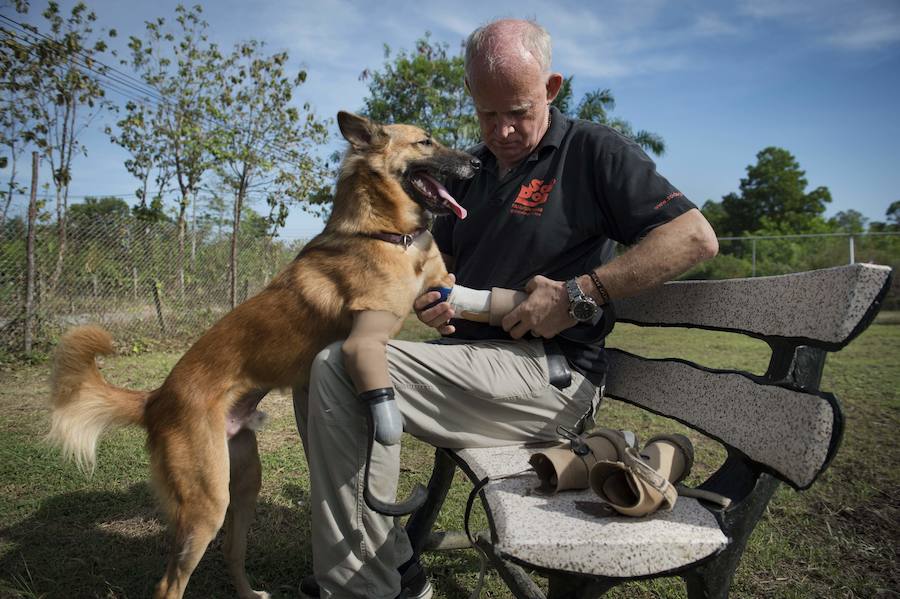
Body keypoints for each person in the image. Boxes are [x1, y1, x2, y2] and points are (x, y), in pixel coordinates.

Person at [293, 18, 718, 599]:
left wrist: (580, 293)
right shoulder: (471, 172)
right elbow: (439, 272)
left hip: (550, 377)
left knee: (341, 370)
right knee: (317, 369)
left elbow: (694, 238)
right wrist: (435, 303)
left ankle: (364, 591)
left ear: (551, 88)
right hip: (473, 364)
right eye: (487, 114)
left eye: (518, 111)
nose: (503, 130)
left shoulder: (592, 151)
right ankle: (390, 571)